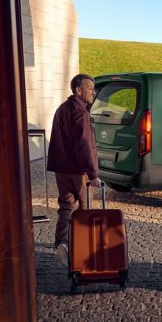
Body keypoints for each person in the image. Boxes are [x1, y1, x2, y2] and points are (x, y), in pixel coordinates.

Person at [47, 73, 101, 264]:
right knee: (85, 208)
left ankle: (62, 242)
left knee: (66, 205)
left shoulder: (62, 108)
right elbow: (85, 145)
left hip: (61, 168)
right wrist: (93, 174)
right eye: (89, 88)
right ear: (78, 91)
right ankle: (84, 246)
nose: (92, 92)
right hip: (79, 172)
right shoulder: (81, 112)